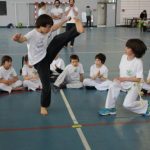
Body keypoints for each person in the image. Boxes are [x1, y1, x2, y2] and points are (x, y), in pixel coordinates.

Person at [12, 14, 84, 115]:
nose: (49, 29)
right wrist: (17, 39)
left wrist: (65, 20)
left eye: (50, 27)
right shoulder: (32, 34)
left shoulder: (47, 30)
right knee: (46, 86)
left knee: (57, 39)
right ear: (40, 26)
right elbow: (23, 39)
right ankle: (43, 106)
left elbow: (55, 27)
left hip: (46, 55)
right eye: (47, 27)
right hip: (39, 63)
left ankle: (77, 30)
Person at [98, 39, 150, 116]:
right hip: (124, 82)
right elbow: (122, 71)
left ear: (134, 50)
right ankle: (110, 108)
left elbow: (139, 79)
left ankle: (145, 106)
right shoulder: (123, 57)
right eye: (126, 46)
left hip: (135, 85)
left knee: (127, 105)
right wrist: (119, 79)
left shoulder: (138, 62)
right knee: (113, 85)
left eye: (128, 47)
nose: (125, 48)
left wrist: (124, 78)